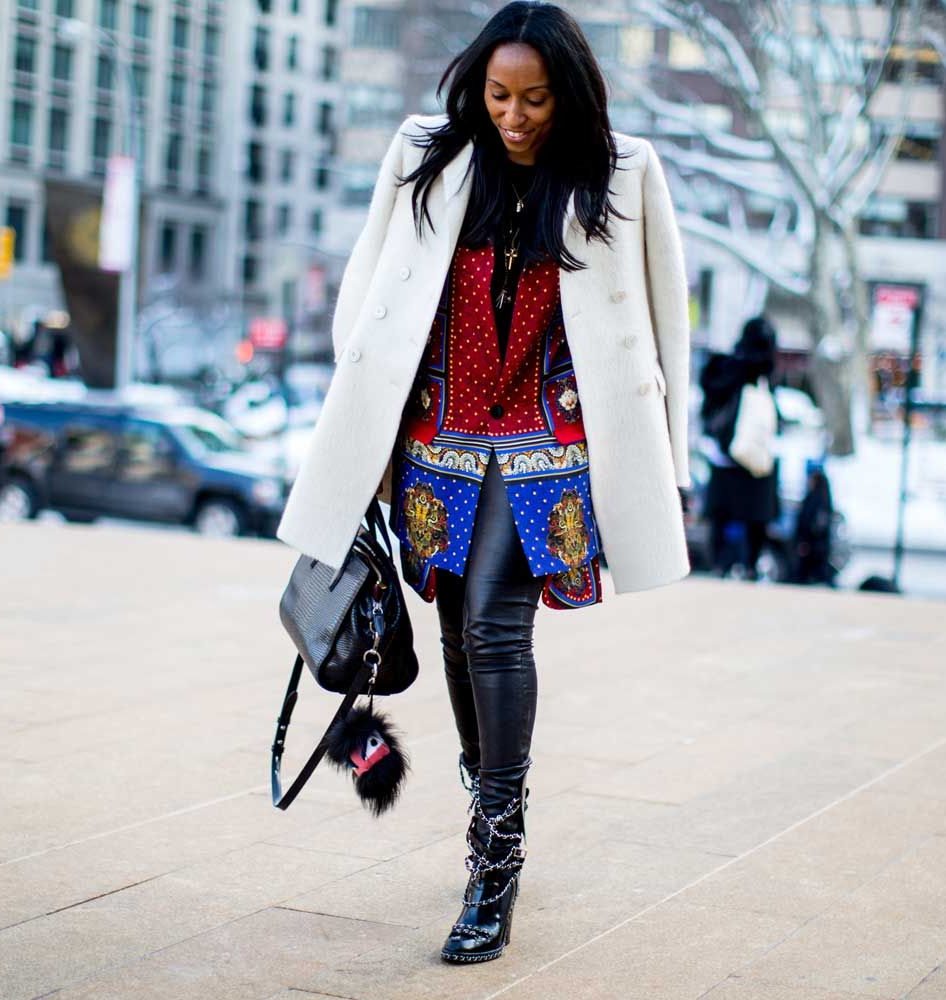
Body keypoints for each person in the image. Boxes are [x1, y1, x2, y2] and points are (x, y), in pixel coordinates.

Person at [277, 0, 692, 963]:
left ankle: (494, 860)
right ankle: (485, 797)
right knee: (458, 631)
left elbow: (666, 321)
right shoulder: (428, 154)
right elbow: (370, 288)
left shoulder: (622, 173)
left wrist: (666, 458)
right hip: (439, 436)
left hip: (552, 440)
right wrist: (360, 428)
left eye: (535, 99)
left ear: (570, 95)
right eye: (500, 95)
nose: (514, 116)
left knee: (497, 625)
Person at [698, 316, 782, 579]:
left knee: (733, 516)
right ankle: (740, 564)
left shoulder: (752, 370)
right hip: (740, 454)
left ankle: (732, 564)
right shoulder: (736, 368)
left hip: (739, 455)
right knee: (741, 516)